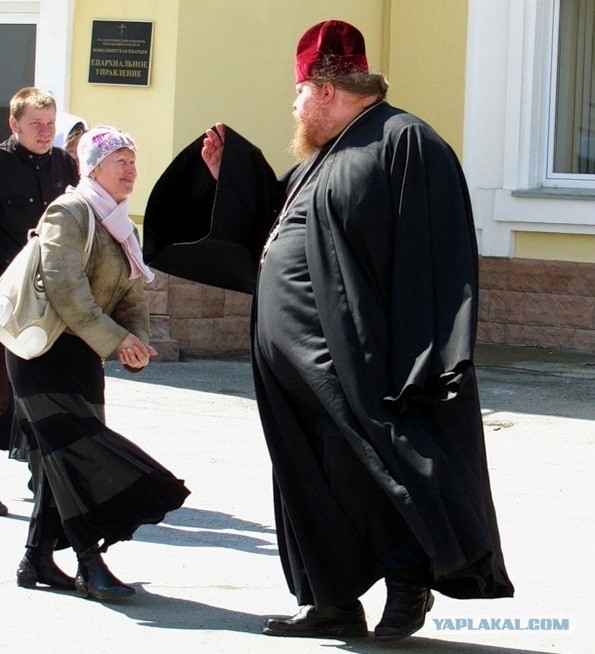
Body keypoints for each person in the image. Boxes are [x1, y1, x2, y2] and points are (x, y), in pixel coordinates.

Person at [142, 20, 514, 641]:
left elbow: (436, 251)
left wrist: (430, 351)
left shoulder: (404, 142)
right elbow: (275, 223)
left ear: (322, 88)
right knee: (308, 477)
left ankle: (407, 586)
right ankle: (331, 601)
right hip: (290, 368)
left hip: (355, 362)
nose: (292, 107)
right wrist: (226, 176)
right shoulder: (323, 159)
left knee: (370, 469)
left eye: (296, 94)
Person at [8, 124, 190, 602]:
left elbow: (132, 295)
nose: (131, 170)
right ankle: (91, 564)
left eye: (133, 160)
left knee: (60, 457)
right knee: (77, 455)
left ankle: (36, 558)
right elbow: (68, 292)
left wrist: (137, 342)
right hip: (42, 352)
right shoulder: (68, 212)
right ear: (93, 168)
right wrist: (116, 342)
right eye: (120, 161)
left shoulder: (121, 223)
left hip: (83, 353)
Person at [0, 88, 80, 512]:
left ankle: (42, 481)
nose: (46, 132)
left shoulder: (65, 164)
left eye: (50, 124)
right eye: (36, 125)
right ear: (15, 125)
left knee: (40, 390)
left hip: (50, 296)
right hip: (5, 295)